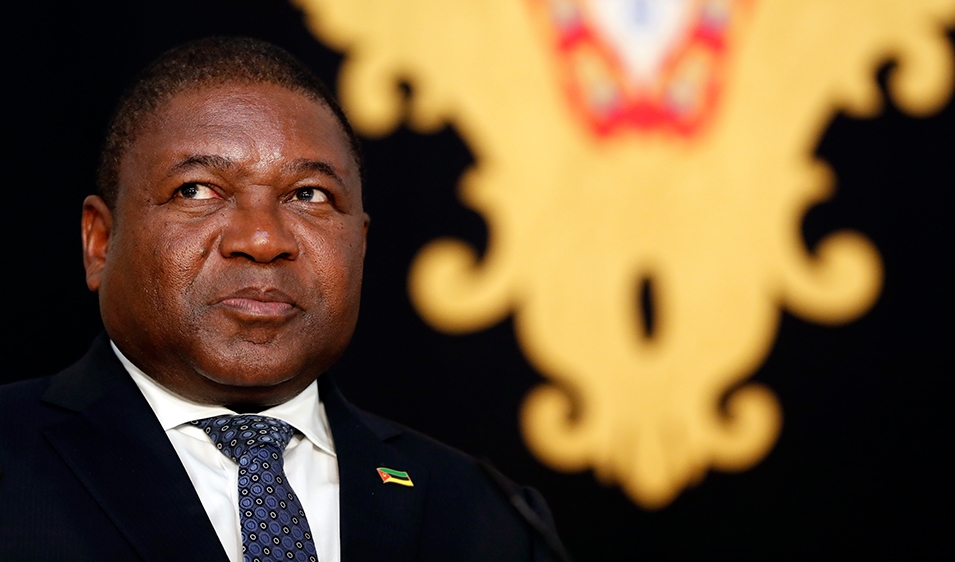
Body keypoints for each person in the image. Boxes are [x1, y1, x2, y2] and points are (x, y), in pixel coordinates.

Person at [0, 37, 567, 562]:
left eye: (308, 195)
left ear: (361, 245)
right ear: (100, 242)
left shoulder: (486, 518)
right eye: (196, 190)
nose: (263, 239)